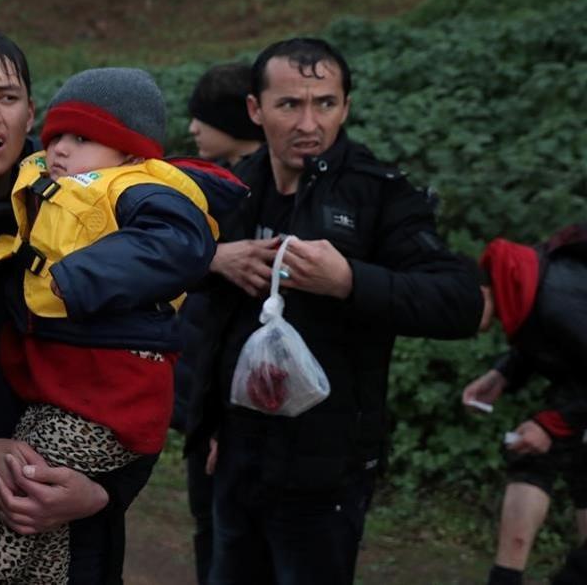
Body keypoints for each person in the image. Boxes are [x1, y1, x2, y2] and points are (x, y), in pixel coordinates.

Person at [203, 37, 482, 584]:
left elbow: (460, 303)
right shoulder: (234, 187)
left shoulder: (379, 193)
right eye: (290, 105)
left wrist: (350, 281)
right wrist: (213, 259)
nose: (310, 122)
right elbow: (203, 314)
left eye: (325, 103)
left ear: (346, 106)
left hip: (326, 469)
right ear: (256, 110)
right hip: (236, 456)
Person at [0, 67, 216, 583]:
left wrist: (79, 277)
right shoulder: (52, 185)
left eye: (81, 138)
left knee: (21, 491)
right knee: (47, 522)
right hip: (62, 387)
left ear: (127, 154)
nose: (59, 150)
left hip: (107, 392)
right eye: (55, 137)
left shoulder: (138, 190)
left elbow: (182, 242)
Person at [171, 60, 264, 585]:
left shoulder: (239, 196)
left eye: (202, 117)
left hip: (225, 407)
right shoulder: (217, 185)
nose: (193, 130)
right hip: (205, 401)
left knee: (221, 533)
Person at [461, 224, 587, 585]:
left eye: (458, 309)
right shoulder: (523, 283)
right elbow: (555, 339)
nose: (460, 327)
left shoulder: (554, 298)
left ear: (483, 291)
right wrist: (502, 375)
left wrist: (552, 423)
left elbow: (561, 322)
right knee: (533, 452)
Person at [187, 62, 264, 166]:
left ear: (232, 121)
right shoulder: (217, 175)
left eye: (202, 119)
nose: (192, 129)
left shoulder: (270, 178)